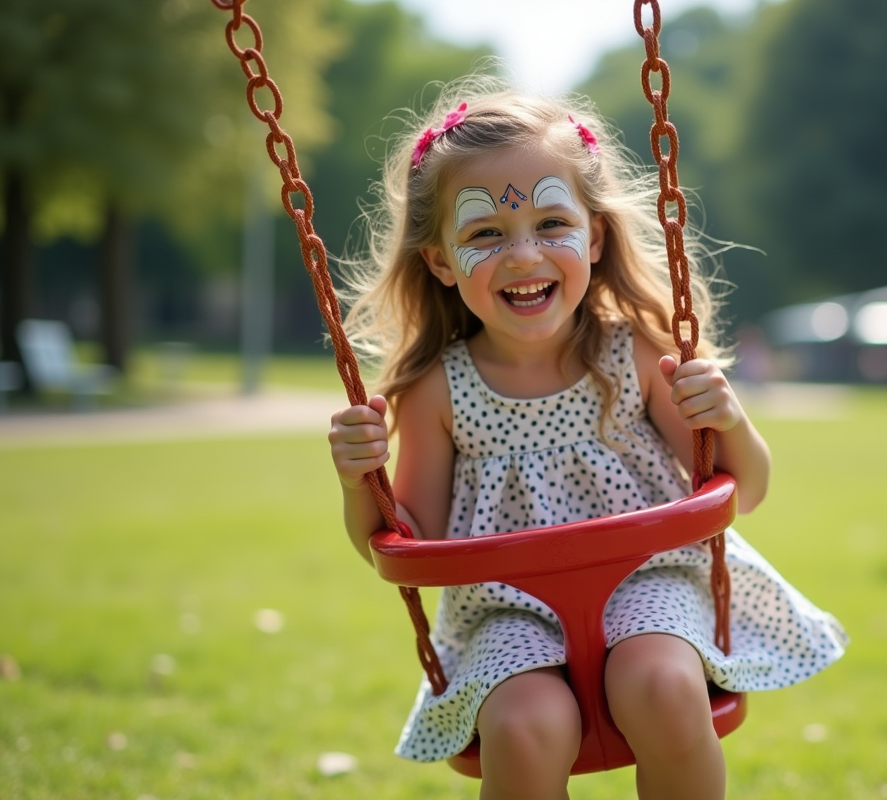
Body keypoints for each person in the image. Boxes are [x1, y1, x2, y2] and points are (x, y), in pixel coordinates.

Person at [327, 77, 848, 800]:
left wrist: (728, 420)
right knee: (522, 727)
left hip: (652, 584)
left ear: (595, 236)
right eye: (485, 233)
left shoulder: (636, 353)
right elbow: (409, 543)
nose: (523, 255)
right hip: (507, 612)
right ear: (441, 262)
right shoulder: (433, 393)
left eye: (551, 224)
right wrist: (362, 483)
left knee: (664, 686)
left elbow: (746, 489)